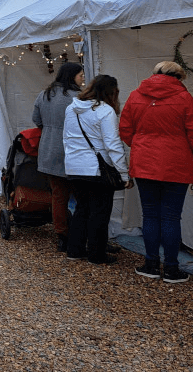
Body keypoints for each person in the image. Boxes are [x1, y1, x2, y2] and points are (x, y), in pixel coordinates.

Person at [119, 61, 193, 283]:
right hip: (176, 163)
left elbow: (125, 129)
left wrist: (140, 144)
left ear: (155, 73)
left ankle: (150, 264)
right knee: (171, 217)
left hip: (145, 162)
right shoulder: (184, 98)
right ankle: (171, 268)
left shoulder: (135, 95)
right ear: (178, 77)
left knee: (150, 215)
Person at [63, 75, 130, 265]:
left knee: (81, 209)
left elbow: (66, 137)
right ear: (112, 92)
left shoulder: (72, 108)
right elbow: (113, 145)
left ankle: (74, 250)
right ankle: (96, 254)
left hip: (74, 166)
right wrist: (123, 172)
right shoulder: (105, 111)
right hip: (96, 167)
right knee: (99, 212)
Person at [32, 62, 85, 252]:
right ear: (72, 77)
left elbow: (36, 119)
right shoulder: (77, 97)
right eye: (80, 75)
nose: (83, 78)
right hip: (73, 151)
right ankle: (81, 234)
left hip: (48, 150)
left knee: (59, 196)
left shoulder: (45, 94)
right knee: (82, 197)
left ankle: (62, 234)